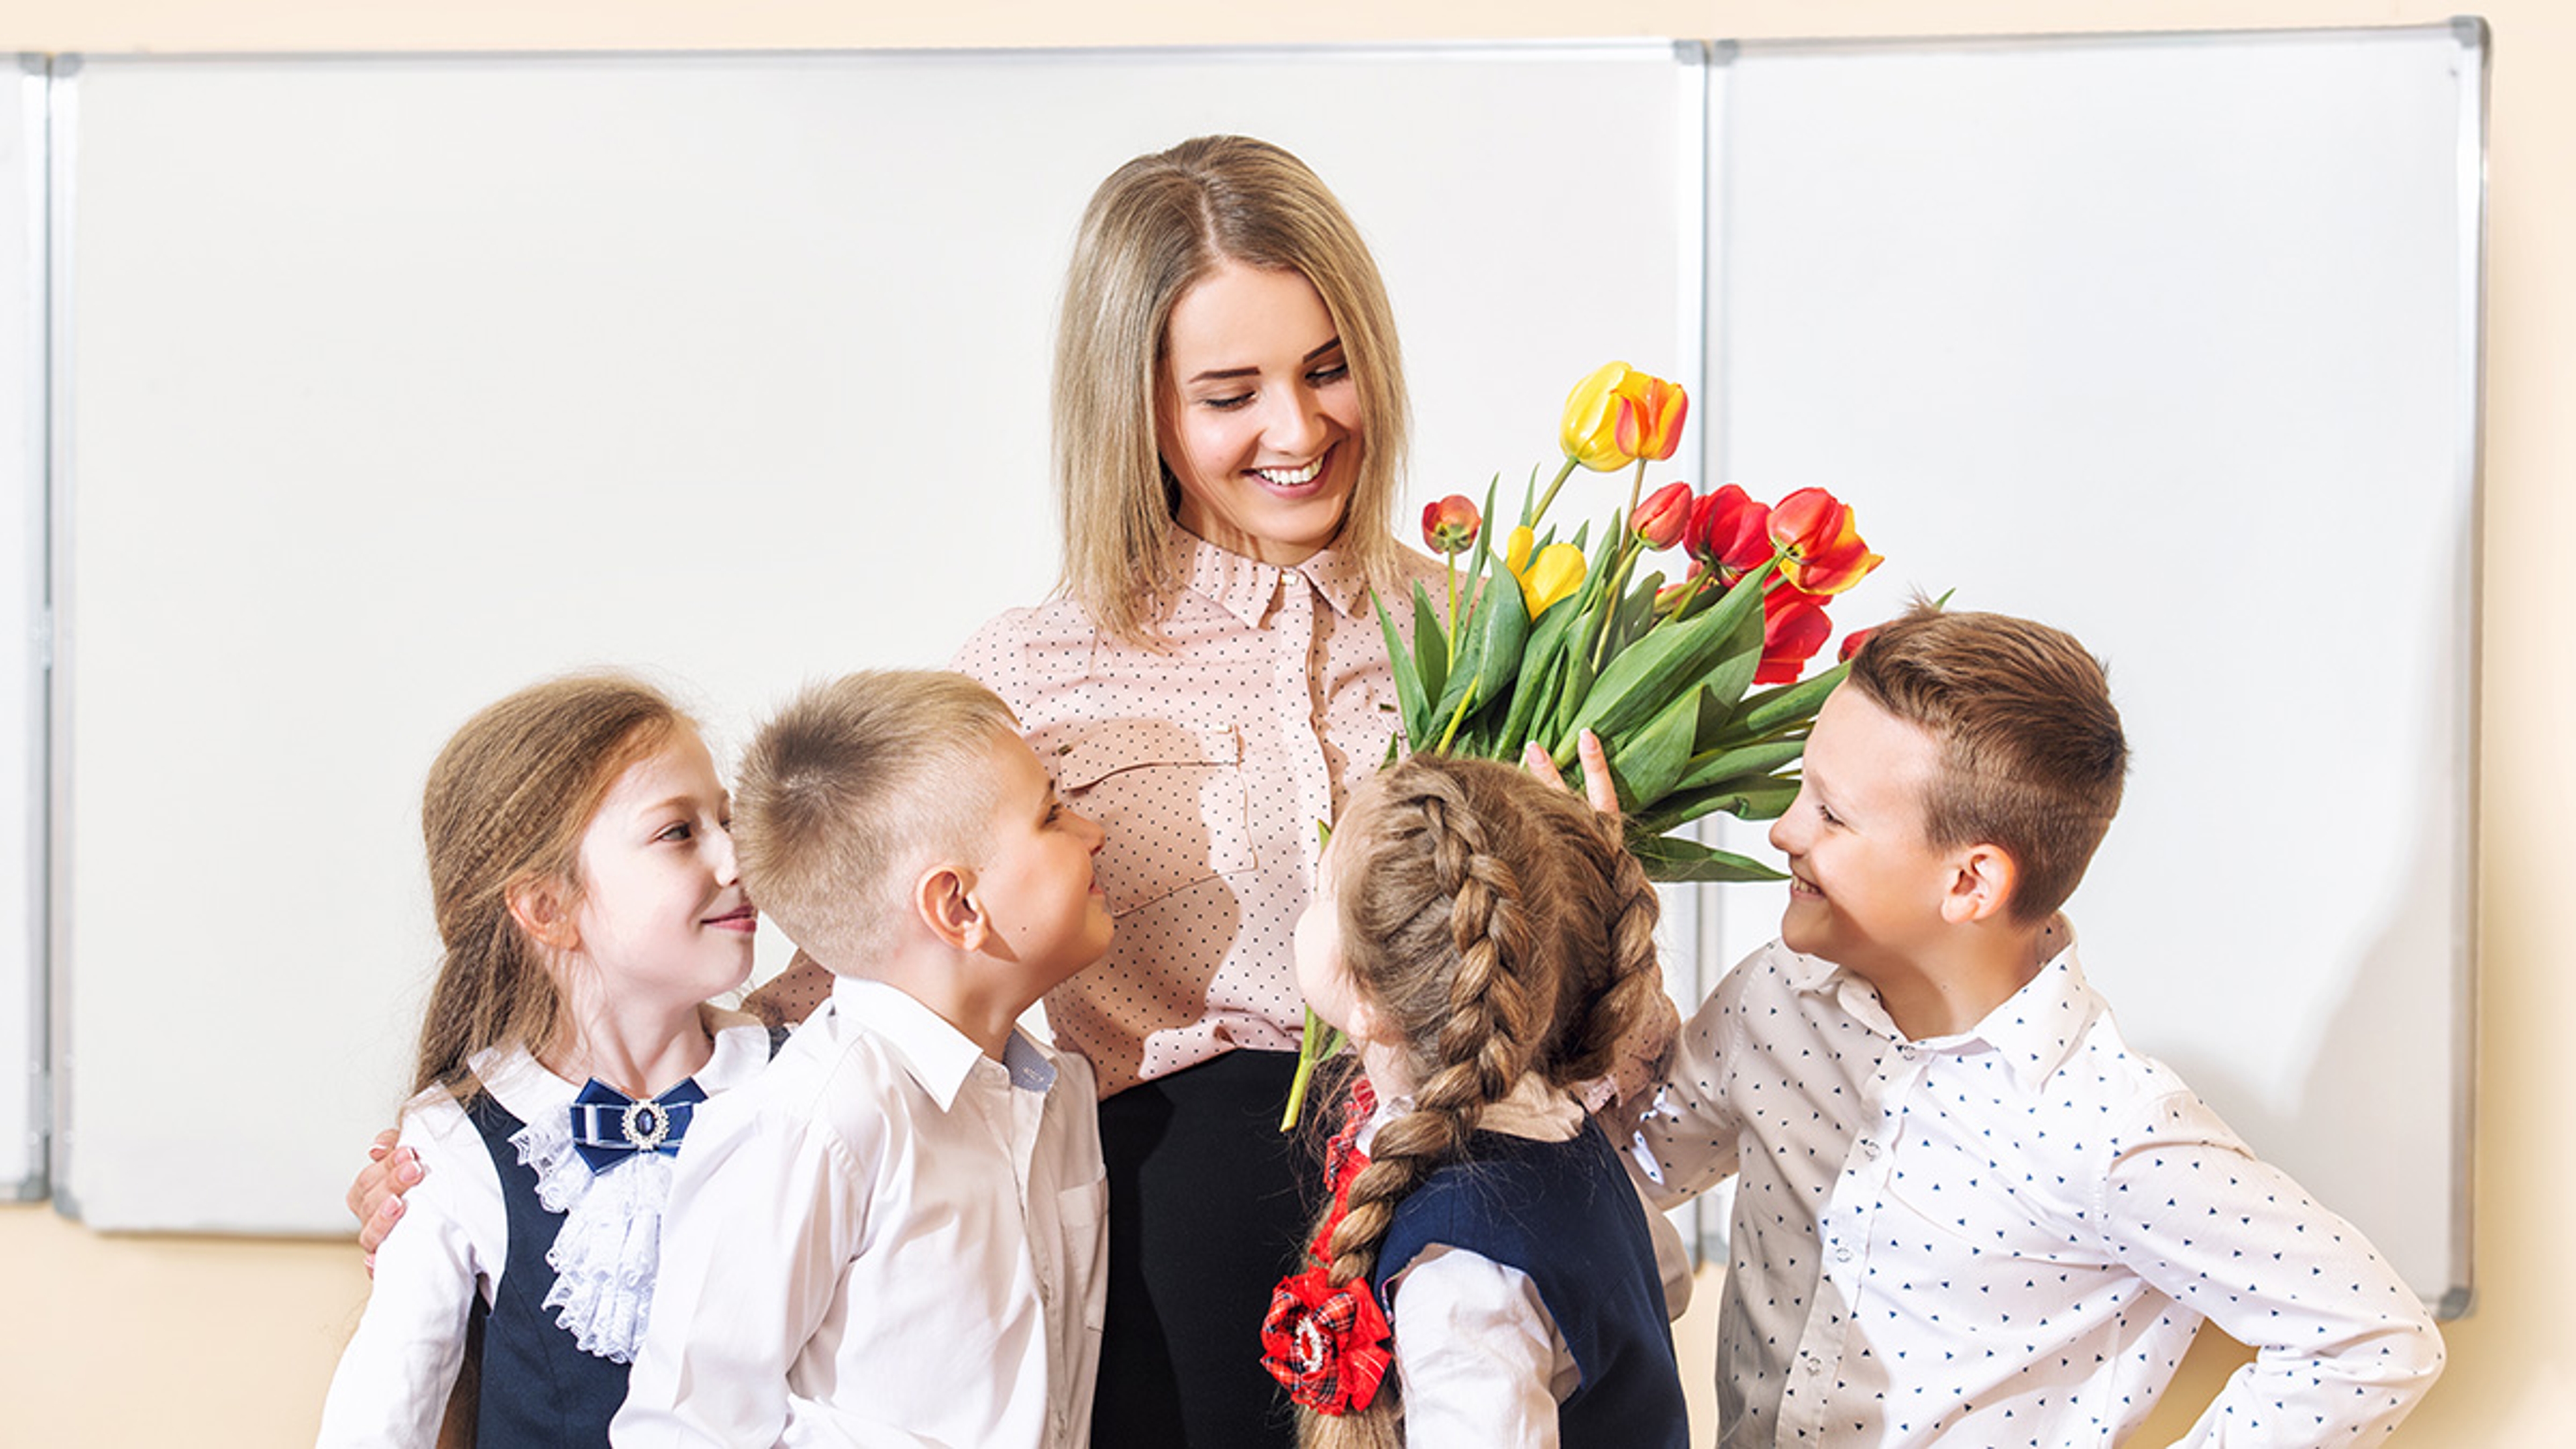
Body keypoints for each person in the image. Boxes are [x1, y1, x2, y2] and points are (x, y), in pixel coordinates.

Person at [1632, 604, 2446, 1446]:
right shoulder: (1776, 997)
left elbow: (2371, 1337)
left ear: (1970, 884)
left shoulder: (2109, 1128)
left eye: (1833, 816)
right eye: (1804, 790)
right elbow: (1632, 1165)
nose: (1785, 831)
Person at [610, 670, 1112, 1448]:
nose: (1093, 833)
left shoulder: (1060, 1092)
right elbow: (682, 1429)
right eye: (1052, 815)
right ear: (958, 907)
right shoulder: (815, 1121)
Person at [315, 674, 766, 1448]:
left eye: (726, 820)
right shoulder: (455, 1142)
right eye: (678, 833)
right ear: (548, 909)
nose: (736, 858)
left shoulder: (804, 1081)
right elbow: (381, 1420)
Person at [1269, 754, 1690, 1449]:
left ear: (1370, 1000)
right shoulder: (1562, 1128)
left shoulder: (1460, 1267)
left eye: (1321, 889)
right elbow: (1664, 1284)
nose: (1310, 906)